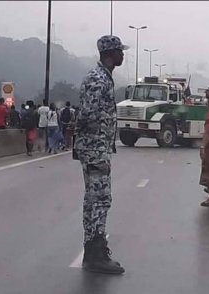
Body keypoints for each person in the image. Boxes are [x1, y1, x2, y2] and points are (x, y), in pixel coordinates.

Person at [74, 35, 127, 274]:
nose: (123, 55)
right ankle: (95, 254)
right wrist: (94, 141)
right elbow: (87, 113)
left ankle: (94, 251)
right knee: (98, 201)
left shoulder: (103, 77)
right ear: (109, 53)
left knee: (97, 200)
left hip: (97, 147)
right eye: (119, 51)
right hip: (94, 148)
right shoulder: (98, 78)